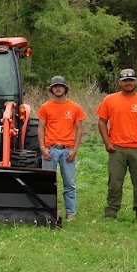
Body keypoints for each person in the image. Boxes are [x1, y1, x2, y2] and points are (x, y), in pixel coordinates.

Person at [96, 68, 137, 221]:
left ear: (136, 81)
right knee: (114, 182)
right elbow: (102, 122)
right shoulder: (109, 100)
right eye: (125, 80)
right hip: (116, 149)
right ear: (119, 82)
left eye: (131, 80)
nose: (128, 83)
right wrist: (107, 142)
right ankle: (111, 213)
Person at [36, 75, 86, 221]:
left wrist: (74, 150)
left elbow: (79, 129)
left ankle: (71, 213)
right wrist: (42, 148)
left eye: (60, 86)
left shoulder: (75, 107)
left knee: (69, 183)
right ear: (51, 90)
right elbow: (41, 128)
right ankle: (48, 212)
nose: (58, 89)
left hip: (67, 150)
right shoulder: (45, 107)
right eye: (55, 86)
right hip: (50, 150)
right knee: (47, 183)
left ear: (65, 89)